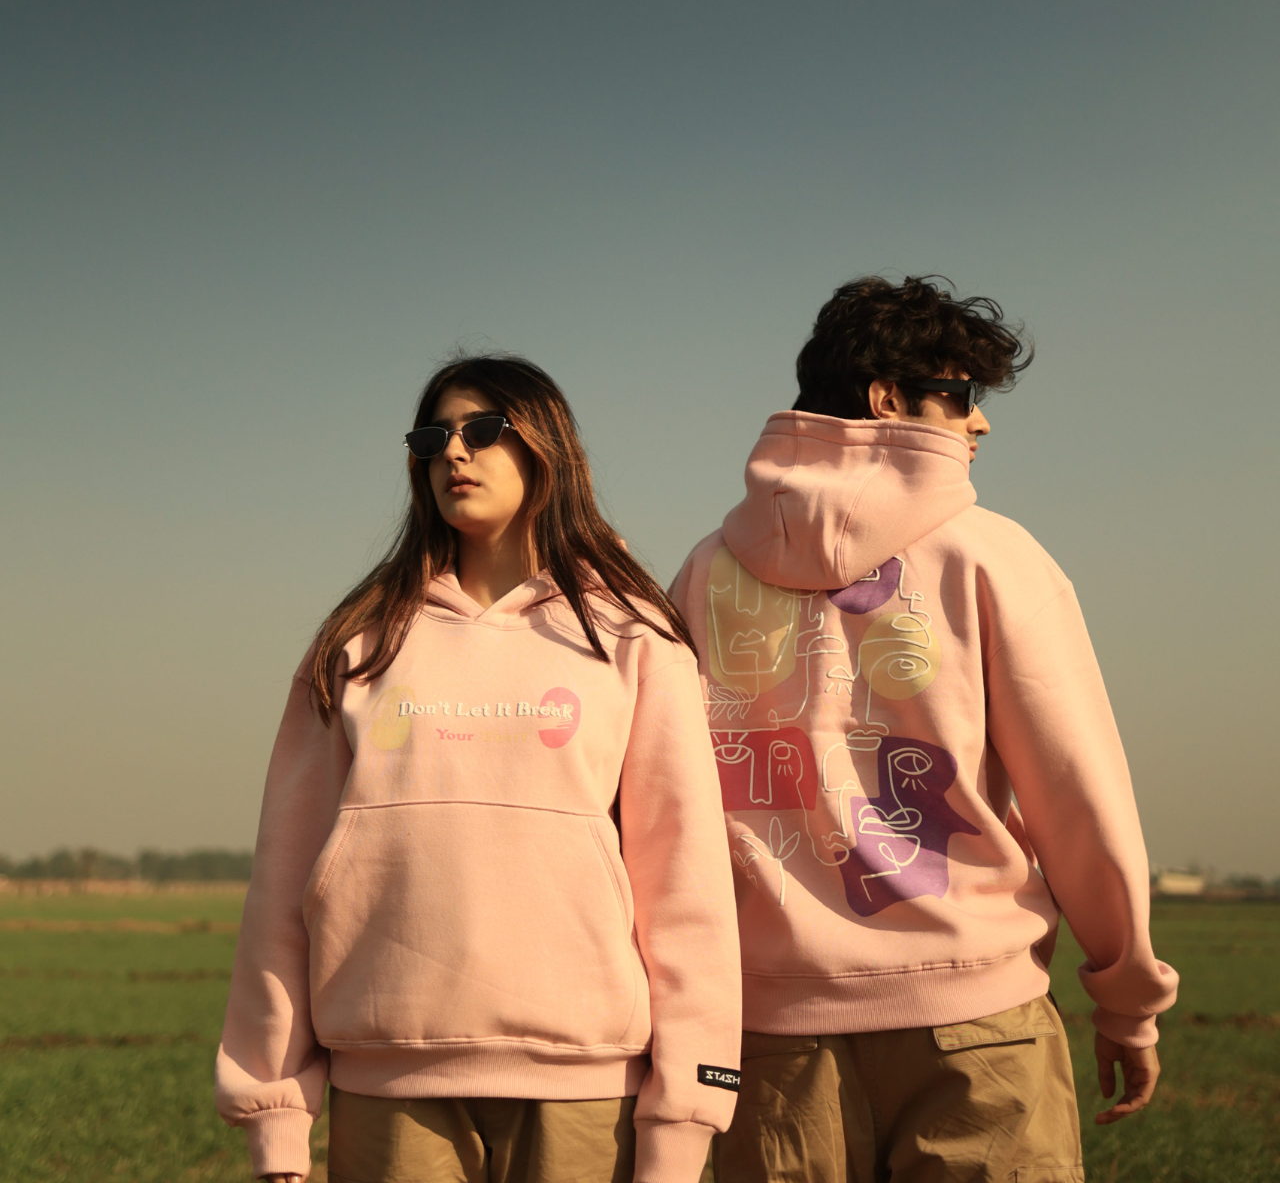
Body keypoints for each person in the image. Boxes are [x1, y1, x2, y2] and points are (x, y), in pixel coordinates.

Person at [668, 276, 1178, 1182]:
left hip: (770, 1040)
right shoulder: (995, 556)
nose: (979, 424)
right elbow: (1078, 799)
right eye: (962, 395)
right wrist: (1128, 999)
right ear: (887, 400)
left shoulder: (704, 572)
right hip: (973, 1026)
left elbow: (665, 809)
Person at [216, 354, 741, 1183]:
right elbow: (282, 887)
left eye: (482, 430)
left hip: (586, 1084)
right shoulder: (358, 643)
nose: (453, 453)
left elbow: (688, 886)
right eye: (433, 439)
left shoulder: (636, 638)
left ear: (547, 447)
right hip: (388, 1081)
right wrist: (274, 1106)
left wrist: (685, 1115)